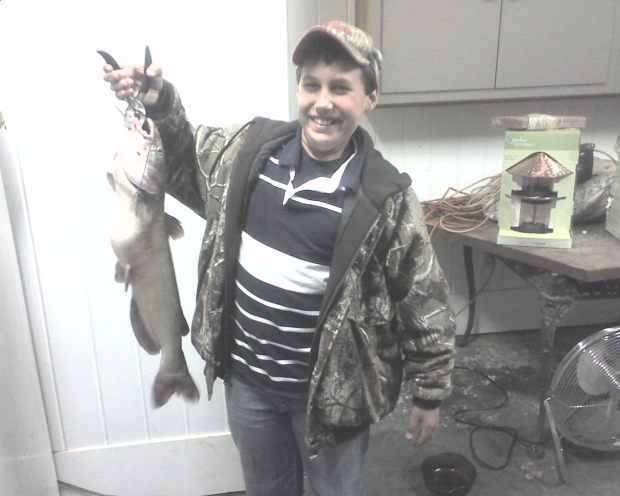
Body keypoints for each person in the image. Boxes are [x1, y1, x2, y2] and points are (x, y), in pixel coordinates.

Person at [103, 20, 456, 496]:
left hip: (334, 402)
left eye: (341, 88)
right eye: (312, 85)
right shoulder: (246, 152)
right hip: (248, 385)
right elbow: (183, 156)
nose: (323, 102)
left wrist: (429, 393)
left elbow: (424, 301)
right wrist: (159, 102)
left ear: (370, 97)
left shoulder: (386, 197)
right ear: (298, 89)